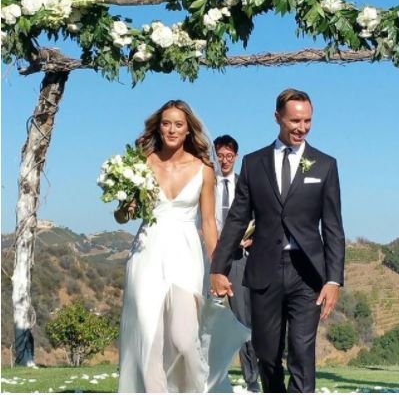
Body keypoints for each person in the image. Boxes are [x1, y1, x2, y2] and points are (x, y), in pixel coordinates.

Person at [210, 89, 345, 392]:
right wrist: (218, 267)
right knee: (267, 354)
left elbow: (334, 227)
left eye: (308, 121)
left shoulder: (325, 165)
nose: (302, 127)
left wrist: (334, 279)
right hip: (264, 271)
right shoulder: (254, 163)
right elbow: (237, 219)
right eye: (295, 120)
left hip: (307, 273)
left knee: (301, 352)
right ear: (277, 118)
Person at [115, 100, 248, 393]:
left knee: (184, 340)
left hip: (185, 255)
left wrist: (218, 269)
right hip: (147, 253)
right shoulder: (141, 163)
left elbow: (209, 225)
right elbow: (122, 216)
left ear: (189, 129)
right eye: (166, 123)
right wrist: (127, 204)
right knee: (148, 339)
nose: (171, 129)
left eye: (178, 124)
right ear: (158, 127)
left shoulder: (204, 170)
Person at [214, 135, 260, 393]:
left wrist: (251, 240)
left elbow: (261, 217)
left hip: (239, 259)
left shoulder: (246, 184)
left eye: (229, 156)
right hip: (209, 256)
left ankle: (252, 380)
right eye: (220, 155)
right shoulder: (208, 184)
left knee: (243, 321)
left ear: (236, 156)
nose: (224, 160)